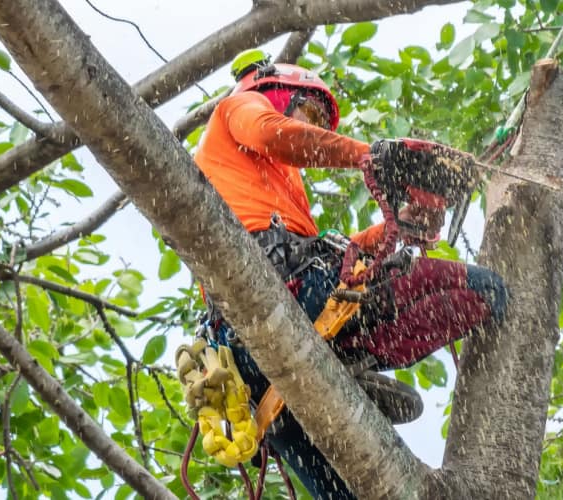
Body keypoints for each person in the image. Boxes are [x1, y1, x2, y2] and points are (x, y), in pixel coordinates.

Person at [189, 52, 510, 499]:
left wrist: (395, 226)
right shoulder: (239, 110)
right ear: (277, 92)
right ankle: (352, 357)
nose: (317, 125)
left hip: (265, 359)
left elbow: (334, 251)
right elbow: (273, 133)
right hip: (292, 302)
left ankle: (352, 361)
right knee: (485, 289)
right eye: (312, 112)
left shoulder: (274, 188)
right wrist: (373, 157)